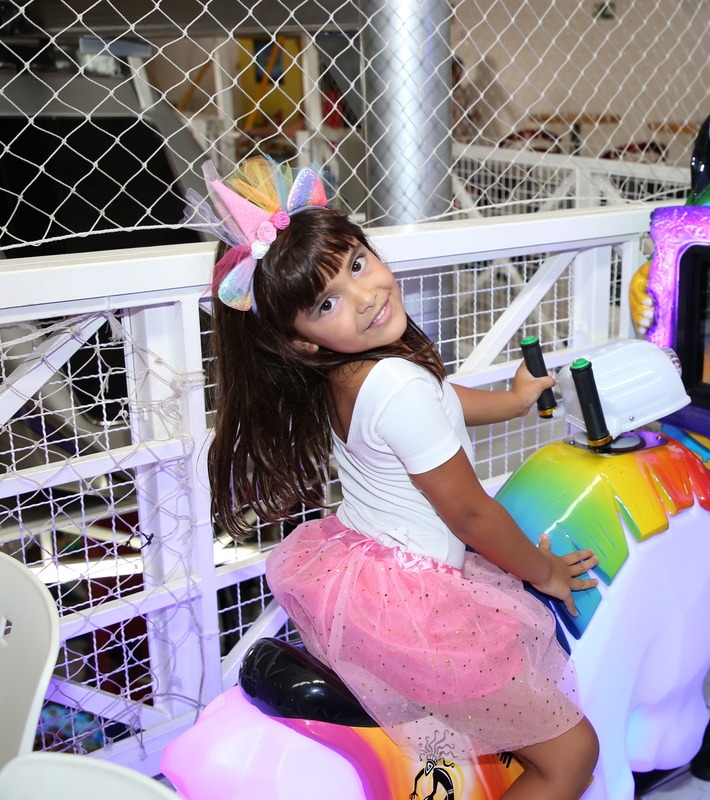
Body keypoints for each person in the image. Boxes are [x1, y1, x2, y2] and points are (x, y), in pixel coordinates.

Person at [188, 157, 599, 800]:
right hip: (416, 601)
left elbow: (441, 402)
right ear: (301, 340)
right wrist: (543, 572)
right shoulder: (395, 383)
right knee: (572, 756)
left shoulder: (349, 372)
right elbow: (470, 514)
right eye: (327, 303)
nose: (366, 296)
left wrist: (515, 401)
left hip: (363, 574)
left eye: (357, 264)